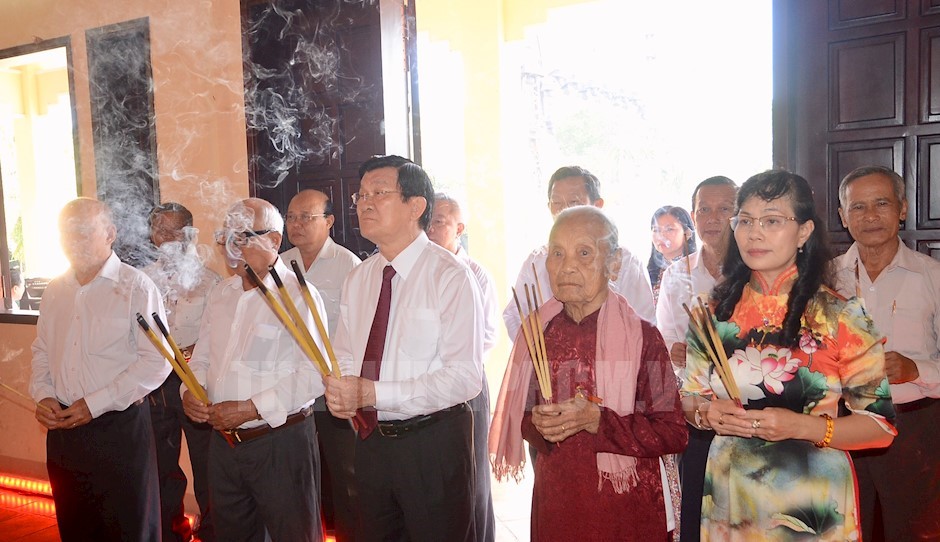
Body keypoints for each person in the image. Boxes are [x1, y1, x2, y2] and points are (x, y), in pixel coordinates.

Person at [680, 170, 897, 541]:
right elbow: (690, 397)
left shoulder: (840, 315)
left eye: (772, 221)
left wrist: (802, 427)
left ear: (804, 232)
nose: (754, 233)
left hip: (810, 500)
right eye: (745, 220)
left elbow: (881, 428)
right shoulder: (711, 313)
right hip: (732, 493)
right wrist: (705, 414)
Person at [490, 206, 687, 541]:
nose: (567, 266)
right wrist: (537, 424)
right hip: (558, 501)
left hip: (627, 508)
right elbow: (522, 417)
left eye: (584, 253)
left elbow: (673, 432)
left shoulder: (643, 338)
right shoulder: (537, 334)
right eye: (557, 253)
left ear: (614, 263)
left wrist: (598, 421)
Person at [324, 155, 484, 542]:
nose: (364, 203)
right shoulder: (360, 277)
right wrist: (342, 388)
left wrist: (372, 393)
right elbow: (345, 352)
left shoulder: (450, 275)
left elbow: (465, 377)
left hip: (433, 444)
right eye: (361, 195)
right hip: (372, 443)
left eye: (379, 193)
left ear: (416, 206)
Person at [182, 197, 327, 542]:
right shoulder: (223, 293)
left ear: (274, 240)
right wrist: (189, 391)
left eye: (242, 237)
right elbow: (202, 358)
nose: (231, 248)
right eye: (225, 237)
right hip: (224, 444)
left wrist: (251, 408)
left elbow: (314, 376)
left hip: (280, 443)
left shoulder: (298, 296)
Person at [29, 197, 170, 540]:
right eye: (66, 232)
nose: (73, 240)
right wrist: (44, 394)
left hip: (117, 430)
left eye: (83, 231)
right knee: (75, 527)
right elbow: (42, 351)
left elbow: (158, 360)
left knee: (128, 530)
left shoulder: (136, 286)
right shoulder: (55, 291)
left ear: (110, 234)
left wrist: (94, 404)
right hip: (64, 432)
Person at [833, 165, 940, 542]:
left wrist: (916, 369)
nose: (870, 216)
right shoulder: (826, 279)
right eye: (858, 207)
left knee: (914, 532)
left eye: (882, 203)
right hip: (841, 425)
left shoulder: (932, 276)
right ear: (843, 216)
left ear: (903, 209)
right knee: (845, 529)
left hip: (914, 428)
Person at [654, 175, 736, 542]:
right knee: (697, 506)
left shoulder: (755, 272)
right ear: (693, 216)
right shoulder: (676, 274)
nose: (713, 218)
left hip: (746, 410)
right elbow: (665, 341)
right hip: (696, 409)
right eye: (704, 210)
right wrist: (677, 351)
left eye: (724, 209)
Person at [281, 188, 361, 542]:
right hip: (289, 385)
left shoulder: (349, 266)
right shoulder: (279, 264)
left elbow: (356, 331)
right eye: (291, 217)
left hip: (332, 385)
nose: (296, 224)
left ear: (329, 221)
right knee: (296, 472)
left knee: (343, 472)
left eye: (306, 217)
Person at [502, 166, 656, 345]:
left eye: (574, 202)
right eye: (557, 203)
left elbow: (644, 324)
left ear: (597, 205)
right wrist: (538, 349)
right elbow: (514, 315)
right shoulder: (537, 261)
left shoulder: (624, 262)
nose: (564, 211)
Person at [143, 202, 221, 542]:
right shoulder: (142, 279)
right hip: (154, 383)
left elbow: (218, 336)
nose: (166, 237)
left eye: (174, 230)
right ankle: (172, 532)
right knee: (161, 465)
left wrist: (190, 353)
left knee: (207, 464)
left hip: (195, 381)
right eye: (159, 230)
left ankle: (213, 530)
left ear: (189, 234)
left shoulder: (211, 280)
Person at [427, 192, 497, 542]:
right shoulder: (421, 270)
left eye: (440, 221)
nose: (431, 228)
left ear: (459, 228)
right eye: (428, 220)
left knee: (472, 477)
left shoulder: (475, 274)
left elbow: (488, 336)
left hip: (466, 388)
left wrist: (448, 365)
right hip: (427, 390)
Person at [648, 205, 696, 304]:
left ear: (687, 233)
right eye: (656, 230)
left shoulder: (697, 269)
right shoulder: (648, 273)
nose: (661, 236)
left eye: (669, 229)